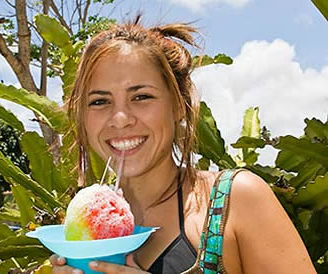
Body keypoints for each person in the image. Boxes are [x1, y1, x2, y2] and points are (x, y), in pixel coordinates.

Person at [50, 16, 316, 274]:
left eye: (141, 96)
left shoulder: (236, 201)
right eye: (99, 101)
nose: (120, 119)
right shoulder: (83, 232)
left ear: (179, 104)